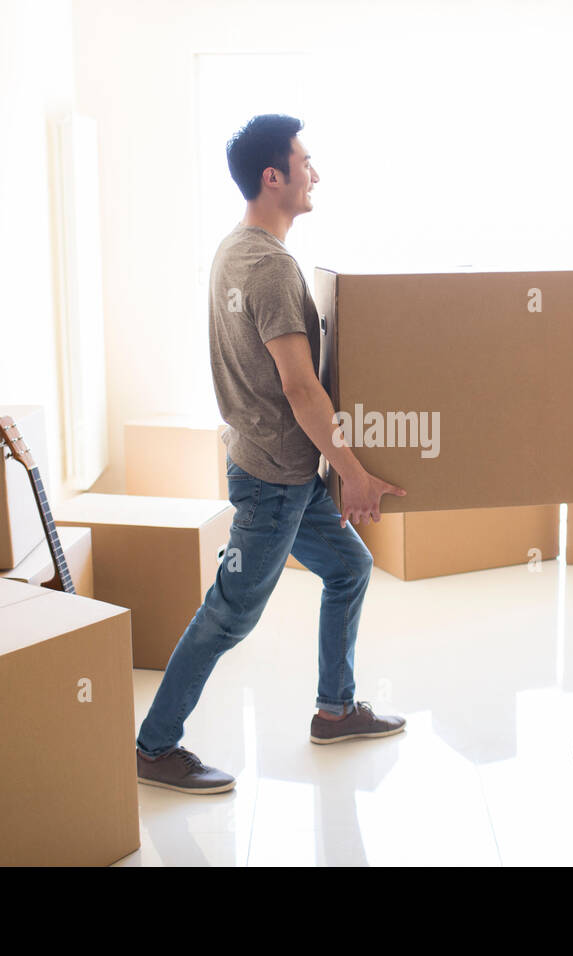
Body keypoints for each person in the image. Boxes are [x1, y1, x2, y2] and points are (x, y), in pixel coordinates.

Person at [135, 114, 407, 794]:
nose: (316, 173)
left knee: (349, 567)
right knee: (228, 614)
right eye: (305, 161)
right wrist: (355, 475)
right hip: (272, 483)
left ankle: (335, 709)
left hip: (278, 469)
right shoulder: (271, 268)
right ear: (273, 176)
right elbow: (299, 385)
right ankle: (153, 745)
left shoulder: (235, 251)